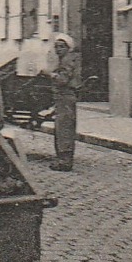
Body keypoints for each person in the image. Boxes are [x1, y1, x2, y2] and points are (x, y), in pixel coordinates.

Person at [47, 32, 82, 172]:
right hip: (63, 97)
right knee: (62, 128)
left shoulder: (67, 60)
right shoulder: (64, 59)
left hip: (65, 96)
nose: (58, 49)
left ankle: (65, 161)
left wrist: (49, 74)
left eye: (61, 46)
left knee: (64, 129)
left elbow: (62, 80)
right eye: (56, 46)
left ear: (68, 48)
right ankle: (62, 159)